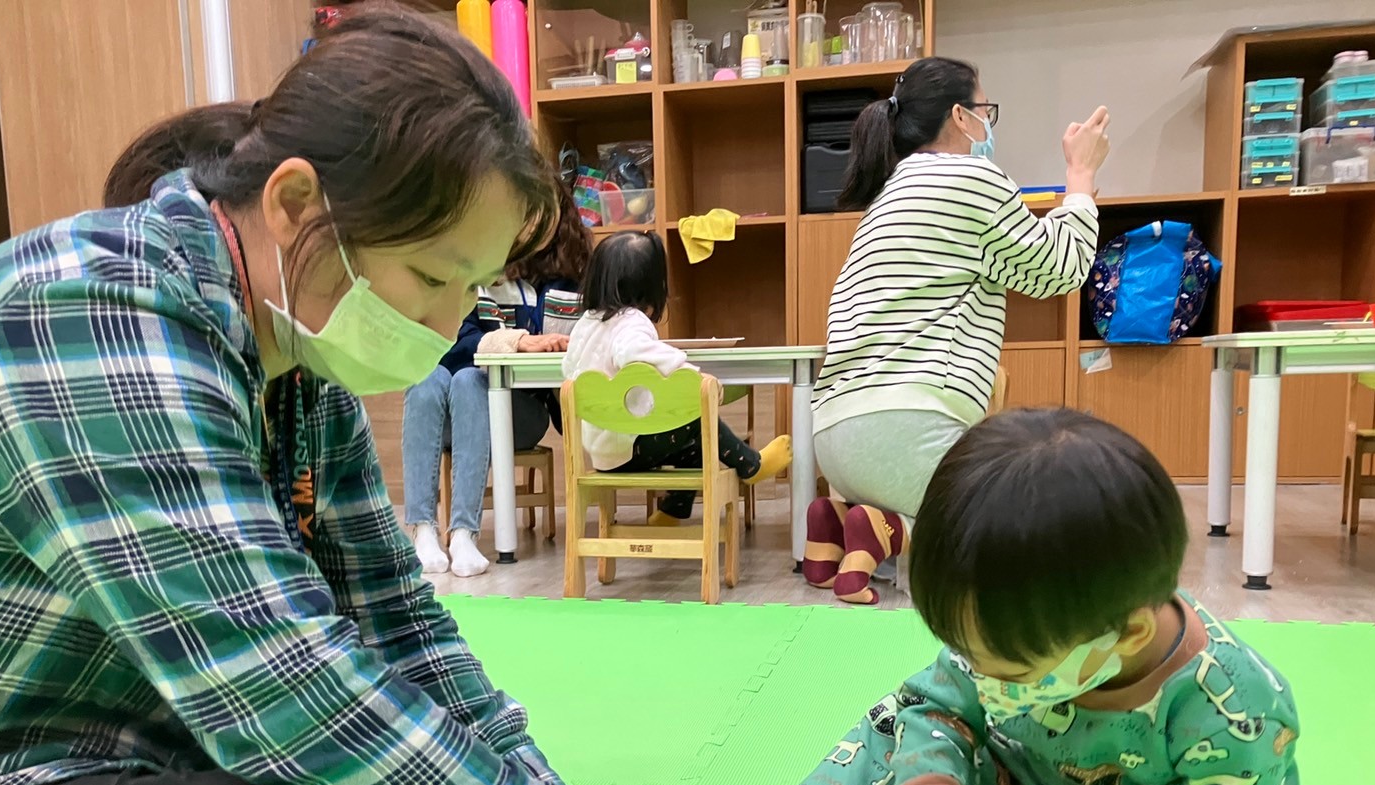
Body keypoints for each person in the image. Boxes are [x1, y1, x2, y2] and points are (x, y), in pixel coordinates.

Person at [0, 6, 774, 785]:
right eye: (428, 277)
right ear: (292, 206)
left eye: (468, 290)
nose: (440, 322)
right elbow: (283, 683)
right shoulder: (85, 315)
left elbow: (396, 619)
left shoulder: (290, 352)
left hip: (89, 763)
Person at [663, 409, 1311, 785]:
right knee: (902, 718)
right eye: (969, 652)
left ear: (1127, 634)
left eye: (1008, 669)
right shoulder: (1038, 623)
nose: (981, 674)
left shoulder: (1234, 710)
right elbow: (936, 706)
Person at [805, 57, 1109, 604]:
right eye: (984, 110)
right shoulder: (969, 177)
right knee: (1009, 519)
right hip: (905, 434)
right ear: (961, 117)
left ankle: (838, 523)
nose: (987, 124)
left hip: (834, 440)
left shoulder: (887, 196)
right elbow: (1059, 269)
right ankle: (889, 530)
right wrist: (1081, 178)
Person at [403, 177, 590, 577]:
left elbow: (569, 351)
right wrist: (517, 341)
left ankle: (464, 534)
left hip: (521, 413)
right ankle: (422, 528)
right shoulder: (474, 274)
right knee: (430, 375)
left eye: (540, 217)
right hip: (450, 412)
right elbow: (450, 340)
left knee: (471, 380)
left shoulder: (566, 282)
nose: (529, 228)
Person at [562, 230, 791, 523]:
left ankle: (673, 510)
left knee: (693, 448)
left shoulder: (585, 324)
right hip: (631, 449)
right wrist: (695, 378)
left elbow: (569, 370)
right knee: (695, 419)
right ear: (651, 286)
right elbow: (641, 353)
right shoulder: (631, 322)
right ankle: (751, 465)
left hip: (602, 453)